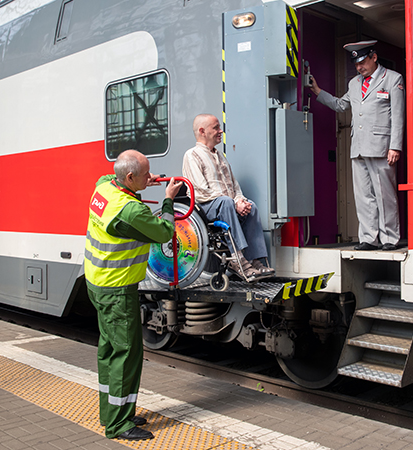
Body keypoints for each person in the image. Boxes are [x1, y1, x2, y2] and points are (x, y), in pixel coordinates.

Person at [84, 149, 182, 440]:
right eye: (144, 174)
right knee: (126, 354)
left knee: (109, 351)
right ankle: (119, 424)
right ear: (128, 177)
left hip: (97, 283)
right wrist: (167, 198)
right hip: (117, 290)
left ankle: (111, 411)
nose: (149, 176)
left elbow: (110, 178)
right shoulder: (130, 211)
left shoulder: (104, 188)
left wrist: (142, 183)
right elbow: (164, 231)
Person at [309, 40, 404, 251]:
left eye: (362, 62)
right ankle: (369, 238)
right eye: (356, 64)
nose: (359, 67)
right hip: (359, 146)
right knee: (363, 196)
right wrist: (317, 91)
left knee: (384, 194)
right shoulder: (354, 83)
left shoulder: (392, 79)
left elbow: (398, 116)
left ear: (374, 57)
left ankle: (389, 238)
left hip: (381, 146)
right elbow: (341, 105)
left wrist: (395, 146)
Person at [182, 114, 274, 282]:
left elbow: (234, 185)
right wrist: (232, 203)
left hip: (226, 204)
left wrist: (239, 200)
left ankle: (255, 260)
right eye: (215, 127)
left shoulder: (220, 155)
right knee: (225, 203)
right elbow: (200, 190)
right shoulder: (192, 155)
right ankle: (238, 260)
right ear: (202, 131)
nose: (220, 131)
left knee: (251, 206)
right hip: (206, 207)